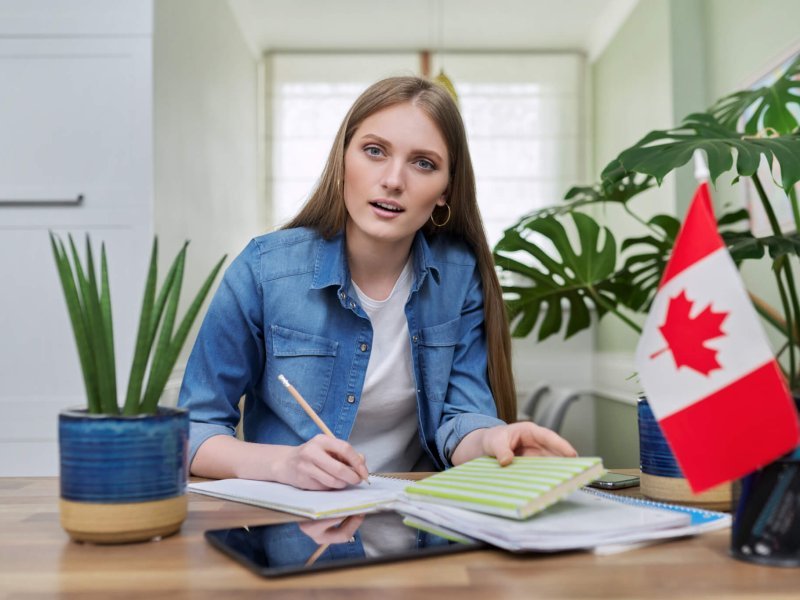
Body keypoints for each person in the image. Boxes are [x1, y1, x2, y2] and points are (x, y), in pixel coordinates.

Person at [178, 75, 576, 491]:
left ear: (446, 191)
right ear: (343, 158)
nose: (393, 180)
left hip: (424, 530)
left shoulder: (460, 275)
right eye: (374, 151)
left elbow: (460, 421)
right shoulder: (264, 268)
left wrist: (493, 440)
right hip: (295, 537)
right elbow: (192, 432)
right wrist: (283, 464)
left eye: (423, 163)